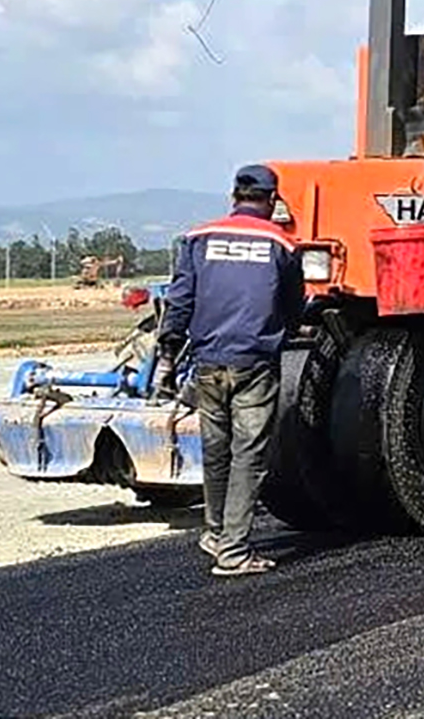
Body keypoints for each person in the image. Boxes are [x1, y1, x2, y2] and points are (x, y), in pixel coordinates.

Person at [158, 164, 305, 576]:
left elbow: (180, 300)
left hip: (207, 362)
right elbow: (293, 305)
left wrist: (169, 355)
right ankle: (234, 553)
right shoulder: (283, 244)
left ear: (233, 197)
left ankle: (216, 532)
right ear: (272, 200)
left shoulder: (198, 239)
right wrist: (283, 334)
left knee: (216, 451)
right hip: (254, 362)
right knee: (249, 457)